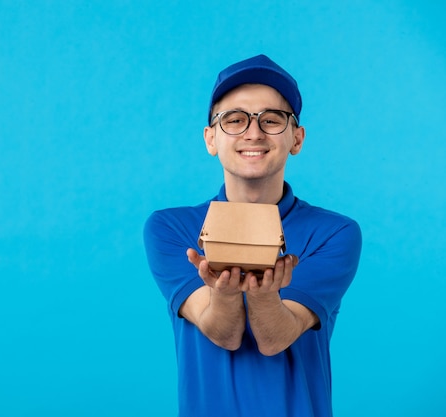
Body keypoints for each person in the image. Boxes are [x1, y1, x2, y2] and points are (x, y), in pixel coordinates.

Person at [143, 54, 362, 417]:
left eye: (272, 120)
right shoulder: (173, 230)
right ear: (211, 138)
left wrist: (262, 297)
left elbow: (275, 339)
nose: (254, 132)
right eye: (235, 119)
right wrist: (226, 294)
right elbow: (224, 334)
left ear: (297, 138)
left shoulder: (334, 233)